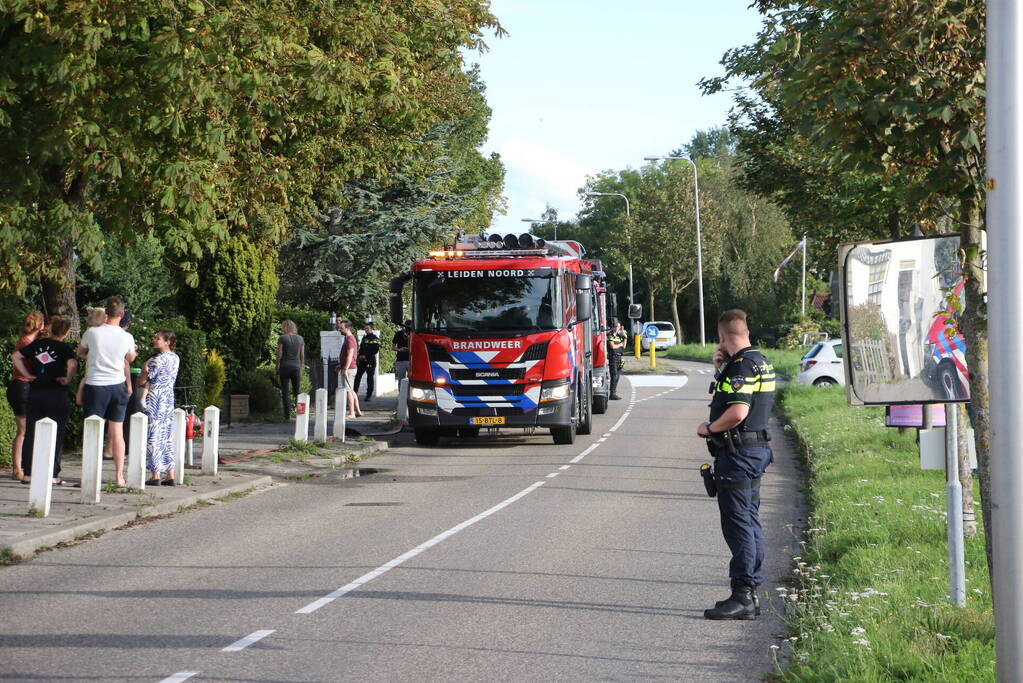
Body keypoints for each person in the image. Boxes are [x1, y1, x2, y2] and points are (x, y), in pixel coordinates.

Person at [697, 309, 776, 621]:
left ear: (721, 336)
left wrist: (710, 427)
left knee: (738, 523)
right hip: (754, 451)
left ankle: (743, 595)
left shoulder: (741, 366)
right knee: (750, 519)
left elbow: (738, 411)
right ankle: (750, 591)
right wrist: (721, 368)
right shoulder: (759, 360)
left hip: (738, 454)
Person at [77, 296, 137, 487]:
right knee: (117, 432)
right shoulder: (127, 337)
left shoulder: (92, 333)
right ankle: (119, 476)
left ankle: (89, 476)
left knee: (93, 430)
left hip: (96, 385)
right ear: (121, 314)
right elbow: (130, 358)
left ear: (106, 313)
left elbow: (80, 353)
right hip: (118, 385)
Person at [13, 316, 77, 485]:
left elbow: (16, 357)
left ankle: (28, 473)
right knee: (56, 432)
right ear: (66, 332)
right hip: (56, 392)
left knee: (31, 432)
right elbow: (72, 364)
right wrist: (68, 378)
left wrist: (27, 375)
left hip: (35, 392)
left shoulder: (37, 345)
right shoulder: (64, 347)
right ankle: (53, 474)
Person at [6, 310, 45, 480]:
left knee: (26, 429)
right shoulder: (27, 343)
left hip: (20, 386)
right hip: (22, 385)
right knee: (23, 430)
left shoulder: (27, 340)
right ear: (41, 325)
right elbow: (17, 359)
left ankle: (22, 466)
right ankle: (17, 468)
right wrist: (28, 376)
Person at [139, 329, 180, 485]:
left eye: (158, 338)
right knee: (167, 435)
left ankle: (155, 474)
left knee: (153, 434)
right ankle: (170, 474)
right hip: (168, 398)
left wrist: (144, 369)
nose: (154, 340)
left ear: (167, 342)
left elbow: (142, 381)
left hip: (155, 398)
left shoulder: (156, 360)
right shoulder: (176, 358)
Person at [276, 320, 305, 420]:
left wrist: (277, 367)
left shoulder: (282, 338)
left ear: (284, 327)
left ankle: (287, 416)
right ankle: (301, 415)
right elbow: (302, 355)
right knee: (297, 391)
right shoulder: (300, 339)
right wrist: (302, 366)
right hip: (296, 367)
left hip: (285, 367)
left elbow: (279, 354)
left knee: (285, 391)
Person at [337, 320, 362, 419]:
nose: (340, 329)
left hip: (350, 369)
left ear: (347, 328)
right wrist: (341, 365)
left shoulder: (349, 339)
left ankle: (352, 413)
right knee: (351, 390)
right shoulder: (349, 338)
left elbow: (350, 354)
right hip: (350, 367)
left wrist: (345, 368)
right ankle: (358, 411)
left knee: (348, 391)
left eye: (341, 328)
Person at [353, 323, 380, 402]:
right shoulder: (364, 338)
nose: (366, 330)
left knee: (370, 378)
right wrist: (359, 357)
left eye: (367, 328)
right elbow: (361, 349)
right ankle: (354, 393)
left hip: (370, 361)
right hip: (362, 362)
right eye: (365, 328)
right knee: (357, 376)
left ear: (371, 329)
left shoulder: (375, 338)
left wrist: (366, 356)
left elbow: (375, 350)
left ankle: (368, 395)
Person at [607, 319, 627, 401]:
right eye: (616, 326)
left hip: (619, 357)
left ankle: (614, 392)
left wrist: (625, 338)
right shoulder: (610, 335)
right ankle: (612, 393)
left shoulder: (620, 336)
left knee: (618, 376)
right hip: (613, 357)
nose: (617, 328)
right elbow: (613, 347)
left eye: (618, 326)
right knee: (614, 375)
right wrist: (620, 345)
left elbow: (624, 347)